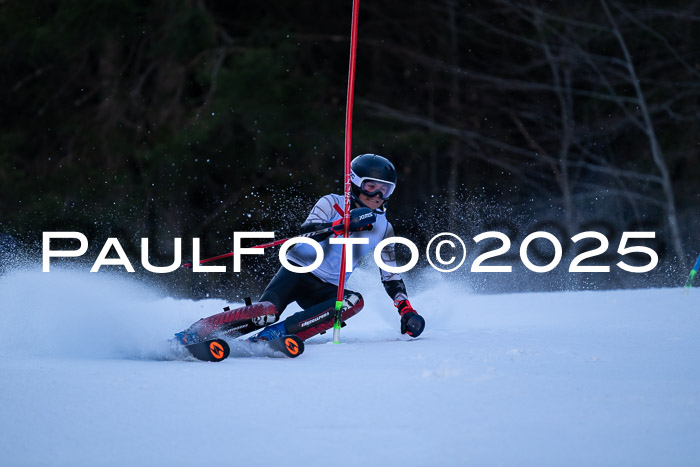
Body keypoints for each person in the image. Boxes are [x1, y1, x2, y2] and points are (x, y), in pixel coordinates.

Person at [176, 154, 425, 345]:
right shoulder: (331, 203)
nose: (379, 195)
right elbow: (306, 234)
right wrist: (341, 225)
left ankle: (276, 335)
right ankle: (197, 332)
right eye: (372, 186)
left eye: (386, 189)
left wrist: (406, 311)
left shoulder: (384, 227)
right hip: (298, 271)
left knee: (352, 302)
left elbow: (391, 275)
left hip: (327, 288)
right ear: (356, 182)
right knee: (268, 312)